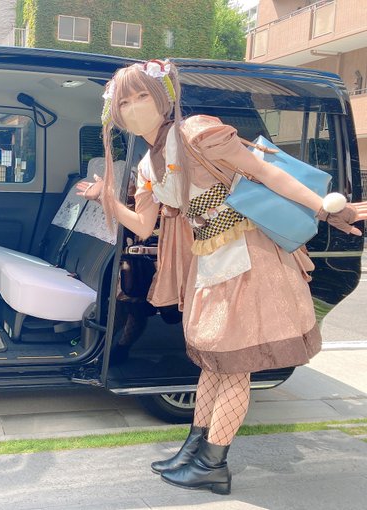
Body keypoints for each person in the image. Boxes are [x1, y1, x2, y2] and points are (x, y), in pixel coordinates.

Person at [77, 60, 367, 495]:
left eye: (142, 96)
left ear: (164, 97)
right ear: (114, 113)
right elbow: (142, 225)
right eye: (125, 102)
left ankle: (213, 463)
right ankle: (194, 450)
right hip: (210, 261)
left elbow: (266, 172)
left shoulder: (195, 132)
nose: (135, 107)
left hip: (249, 258)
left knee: (234, 366)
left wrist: (326, 209)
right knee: (212, 362)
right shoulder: (148, 164)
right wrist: (105, 198)